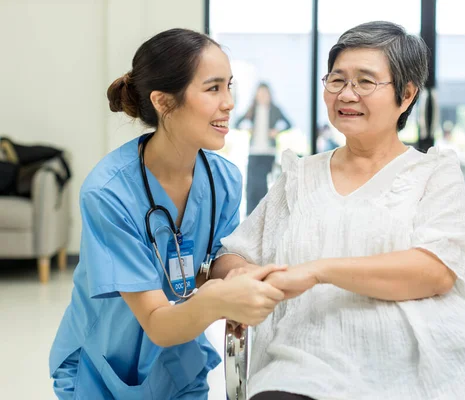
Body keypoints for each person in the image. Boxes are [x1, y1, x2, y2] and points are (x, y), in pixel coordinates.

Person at [215, 22, 465, 400]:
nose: (347, 94)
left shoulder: (433, 172)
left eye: (365, 82)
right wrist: (246, 276)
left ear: (406, 95)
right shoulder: (299, 177)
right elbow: (234, 254)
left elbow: (434, 271)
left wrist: (316, 271)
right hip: (315, 354)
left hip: (440, 348)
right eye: (337, 80)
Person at [48, 28, 287, 400]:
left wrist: (241, 272)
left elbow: (218, 257)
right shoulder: (109, 193)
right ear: (163, 101)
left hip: (178, 361)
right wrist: (222, 299)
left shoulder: (223, 178)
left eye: (229, 86)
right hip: (103, 368)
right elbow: (157, 322)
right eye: (213, 88)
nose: (229, 103)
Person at [235, 82, 292, 215]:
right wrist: (248, 129)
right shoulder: (252, 109)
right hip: (254, 152)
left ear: (269, 94)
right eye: (259, 93)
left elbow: (288, 124)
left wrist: (276, 131)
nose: (262, 96)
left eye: (265, 93)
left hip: (269, 152)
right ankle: (251, 215)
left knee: (263, 185)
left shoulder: (275, 109)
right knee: (252, 186)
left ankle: (264, 214)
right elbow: (237, 123)